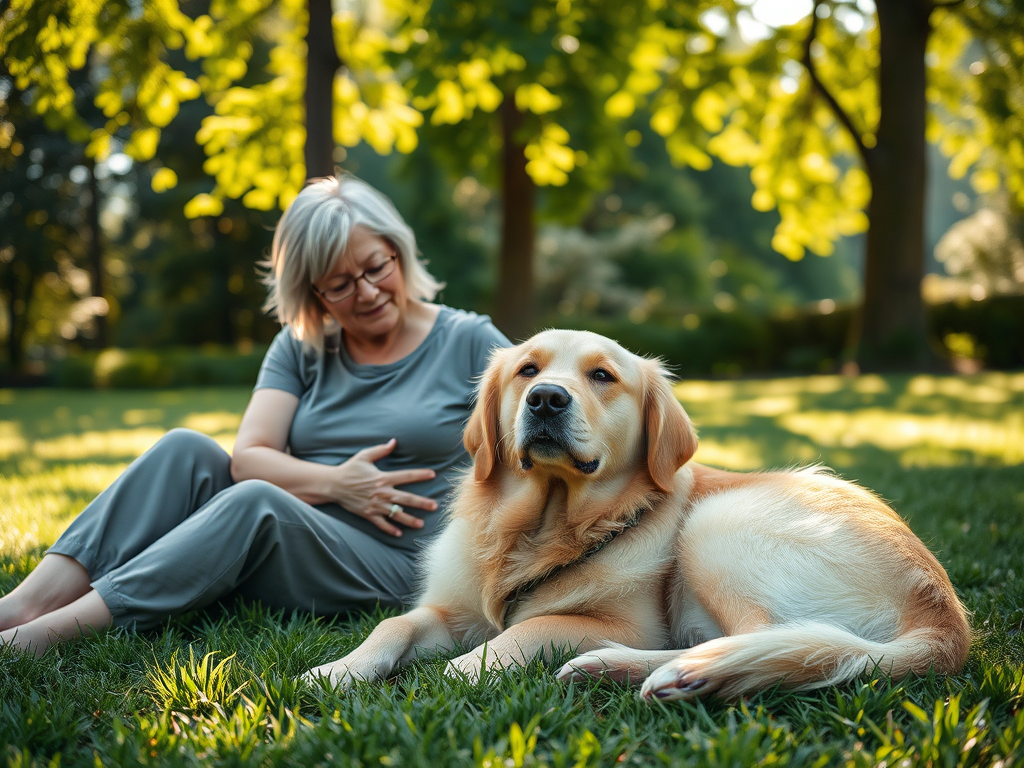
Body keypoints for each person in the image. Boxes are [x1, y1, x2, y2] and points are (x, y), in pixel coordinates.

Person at [0, 175, 510, 656]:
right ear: (312, 292)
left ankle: (42, 635)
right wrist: (337, 484)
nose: (369, 292)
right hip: (297, 532)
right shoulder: (301, 347)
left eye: (377, 267)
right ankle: (22, 605)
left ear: (398, 251)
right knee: (186, 450)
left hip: (402, 561)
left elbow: (535, 415)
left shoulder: (470, 341)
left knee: (256, 502)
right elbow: (249, 457)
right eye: (340, 284)